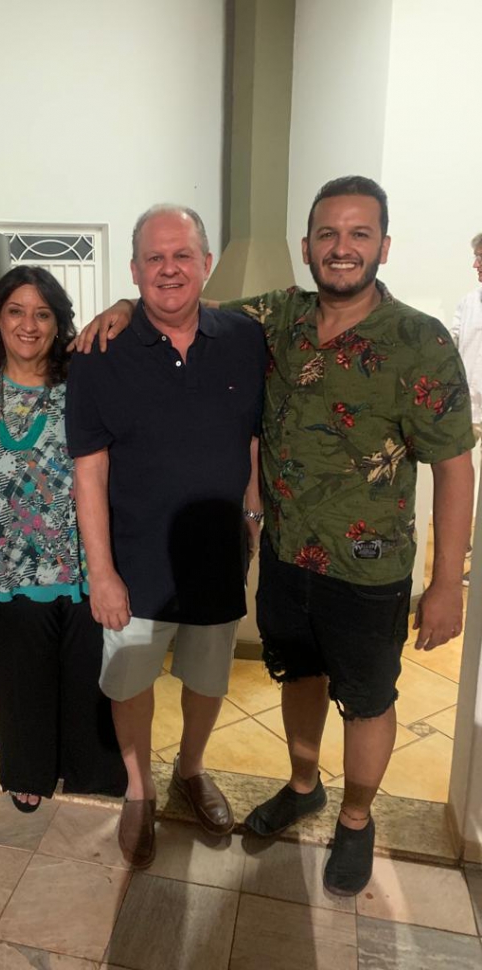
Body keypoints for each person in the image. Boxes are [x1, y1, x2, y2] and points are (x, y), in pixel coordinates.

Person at [75, 176, 474, 894]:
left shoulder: (419, 339)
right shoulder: (277, 318)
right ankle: (297, 787)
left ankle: (355, 818)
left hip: (368, 566)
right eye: (327, 234)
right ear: (307, 247)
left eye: (358, 234)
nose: (341, 248)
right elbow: (180, 302)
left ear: (383, 246)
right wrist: (126, 306)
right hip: (287, 560)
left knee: (368, 698)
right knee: (300, 678)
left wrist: (447, 582)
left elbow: (453, 467)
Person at [66, 205, 265, 868]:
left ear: (206, 263)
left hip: (217, 554)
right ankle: (139, 788)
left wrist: (254, 518)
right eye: (154, 258)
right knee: (129, 683)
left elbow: (252, 439)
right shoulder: (98, 355)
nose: (169, 269)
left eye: (182, 255)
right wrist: (101, 572)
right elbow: (89, 471)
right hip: (134, 560)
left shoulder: (245, 338)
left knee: (207, 679)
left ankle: (189, 769)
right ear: (134, 270)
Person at [0, 266, 126, 810]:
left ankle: (89, 773)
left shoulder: (84, 380)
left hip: (79, 567)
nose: (28, 325)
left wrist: (125, 305)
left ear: (59, 323)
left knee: (85, 684)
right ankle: (30, 771)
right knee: (18, 687)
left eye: (42, 314)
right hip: (1, 571)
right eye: (16, 311)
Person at [449, 232, 482, 586]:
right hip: (467, 407)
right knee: (459, 477)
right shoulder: (469, 302)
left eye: (481, 257)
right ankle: (463, 546)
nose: (475, 264)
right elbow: (452, 344)